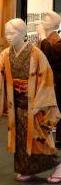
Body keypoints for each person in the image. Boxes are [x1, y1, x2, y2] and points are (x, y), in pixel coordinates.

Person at [0, 18, 61, 183]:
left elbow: (46, 78)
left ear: (23, 34)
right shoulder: (6, 53)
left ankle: (59, 164)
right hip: (17, 103)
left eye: (12, 32)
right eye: (6, 32)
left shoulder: (36, 53)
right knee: (21, 139)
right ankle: (27, 168)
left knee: (40, 140)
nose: (8, 36)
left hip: (34, 104)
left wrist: (40, 103)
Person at [37, 11, 61, 149]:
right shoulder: (54, 43)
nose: (42, 23)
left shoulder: (57, 45)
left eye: (45, 21)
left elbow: (48, 56)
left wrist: (43, 36)